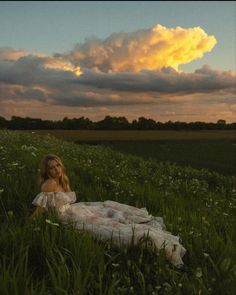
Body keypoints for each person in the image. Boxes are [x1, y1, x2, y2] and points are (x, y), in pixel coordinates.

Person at [31, 154, 186, 268]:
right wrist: (29, 223)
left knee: (109, 212)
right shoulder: (49, 184)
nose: (56, 170)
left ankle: (148, 234)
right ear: (46, 170)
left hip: (74, 211)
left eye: (57, 165)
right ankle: (147, 238)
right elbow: (40, 210)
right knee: (109, 228)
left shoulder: (62, 180)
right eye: (51, 167)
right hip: (67, 218)